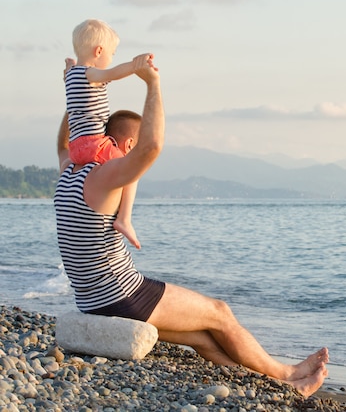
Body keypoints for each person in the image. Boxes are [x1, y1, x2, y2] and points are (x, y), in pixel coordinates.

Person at [54, 55, 329, 398]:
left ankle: (277, 388)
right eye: (132, 149)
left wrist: (74, 90)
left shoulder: (68, 171)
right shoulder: (104, 178)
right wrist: (152, 84)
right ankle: (287, 371)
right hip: (121, 295)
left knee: (205, 335)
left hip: (91, 298)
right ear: (126, 147)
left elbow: (63, 145)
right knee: (219, 312)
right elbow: (152, 146)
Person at [64, 18, 150, 249]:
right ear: (98, 51)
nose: (111, 58)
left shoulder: (71, 76)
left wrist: (70, 65)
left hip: (77, 147)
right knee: (132, 166)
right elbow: (113, 73)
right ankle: (124, 218)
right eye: (111, 53)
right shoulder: (89, 74)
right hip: (94, 144)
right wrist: (135, 66)